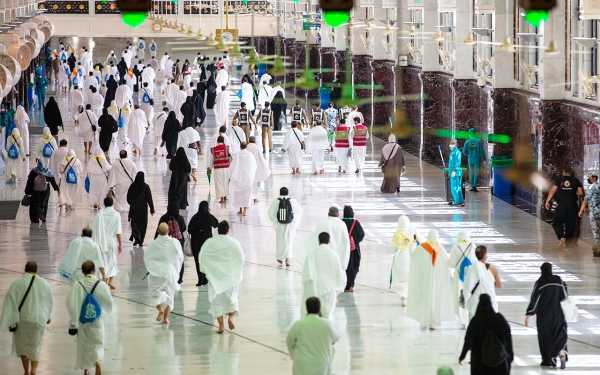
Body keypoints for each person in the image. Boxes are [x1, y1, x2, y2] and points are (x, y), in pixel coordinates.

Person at [0, 261, 54, 375]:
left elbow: (10, 301)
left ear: (25, 269)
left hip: (23, 319)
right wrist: (48, 316)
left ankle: (26, 371)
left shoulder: (17, 283)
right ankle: (34, 370)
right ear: (36, 270)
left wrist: (8, 319)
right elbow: (49, 300)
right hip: (38, 319)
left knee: (23, 346)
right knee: (36, 345)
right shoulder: (44, 283)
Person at [66, 261, 114, 375]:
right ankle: (98, 362)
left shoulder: (78, 285)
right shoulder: (101, 284)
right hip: (97, 320)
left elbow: (70, 302)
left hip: (83, 321)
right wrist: (102, 313)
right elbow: (109, 302)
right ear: (94, 270)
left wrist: (74, 319)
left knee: (84, 345)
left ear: (83, 272)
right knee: (98, 344)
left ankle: (86, 370)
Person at [199, 221, 245, 333]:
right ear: (228, 230)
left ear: (217, 230)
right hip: (230, 277)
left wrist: (207, 271)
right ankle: (230, 318)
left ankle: (221, 326)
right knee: (231, 299)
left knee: (217, 302)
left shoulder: (210, 242)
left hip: (215, 278)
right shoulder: (234, 242)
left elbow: (202, 256)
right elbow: (241, 257)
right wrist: (235, 269)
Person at [406, 229, 454, 330]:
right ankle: (433, 323)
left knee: (425, 299)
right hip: (437, 282)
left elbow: (412, 255)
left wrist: (413, 243)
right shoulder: (441, 249)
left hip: (424, 280)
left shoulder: (422, 247)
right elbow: (449, 263)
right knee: (435, 300)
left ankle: (424, 321)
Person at [525, 262, 569, 369]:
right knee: (559, 333)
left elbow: (535, 299)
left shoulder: (540, 282)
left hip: (544, 315)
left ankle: (549, 360)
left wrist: (529, 313)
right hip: (558, 313)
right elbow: (566, 296)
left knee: (545, 337)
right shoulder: (559, 281)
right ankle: (561, 352)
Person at [459, 294, 513, 374]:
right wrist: (510, 355)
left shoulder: (476, 321)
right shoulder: (499, 319)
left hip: (480, 363)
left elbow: (468, 340)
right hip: (499, 361)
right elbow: (508, 337)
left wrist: (462, 356)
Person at [286, 297, 340, 375]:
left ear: (307, 308)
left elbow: (289, 340)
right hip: (322, 363)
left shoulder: (299, 324)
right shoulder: (327, 324)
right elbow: (336, 337)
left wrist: (293, 355)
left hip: (303, 363)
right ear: (319, 309)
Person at [144, 223, 184, 325]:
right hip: (169, 272)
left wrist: (152, 268)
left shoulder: (153, 244)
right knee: (170, 295)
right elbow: (180, 257)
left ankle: (160, 309)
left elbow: (147, 258)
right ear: (168, 231)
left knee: (156, 293)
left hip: (156, 272)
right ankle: (166, 318)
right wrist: (176, 269)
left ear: (157, 231)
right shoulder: (175, 242)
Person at [300, 232, 346, 320]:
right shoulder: (334, 255)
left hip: (313, 288)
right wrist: (336, 292)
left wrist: (307, 287)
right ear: (329, 241)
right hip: (329, 289)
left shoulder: (312, 253)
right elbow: (339, 274)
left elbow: (307, 273)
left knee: (311, 317)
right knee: (327, 315)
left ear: (318, 241)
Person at [546, 166, 584, 250]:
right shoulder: (576, 180)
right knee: (570, 225)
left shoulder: (559, 179)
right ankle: (568, 245)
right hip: (572, 205)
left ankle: (561, 237)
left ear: (563, 171)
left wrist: (548, 201)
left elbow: (553, 190)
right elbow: (581, 193)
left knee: (556, 222)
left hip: (561, 205)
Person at [463, 245, 502, 320]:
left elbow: (467, 287)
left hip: (475, 303)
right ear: (485, 255)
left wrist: (466, 302)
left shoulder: (471, 269)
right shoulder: (493, 268)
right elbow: (499, 285)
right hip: (491, 302)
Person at [92, 197, 122, 290]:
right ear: (112, 203)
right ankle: (111, 281)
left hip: (101, 242)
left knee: (103, 262)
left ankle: (103, 278)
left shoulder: (99, 215)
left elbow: (95, 230)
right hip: (111, 242)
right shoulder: (116, 215)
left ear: (104, 204)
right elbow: (118, 231)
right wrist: (120, 244)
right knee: (113, 262)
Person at [448, 230, 477, 329]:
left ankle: (463, 322)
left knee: (461, 297)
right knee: (471, 296)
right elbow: (476, 262)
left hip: (459, 275)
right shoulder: (473, 247)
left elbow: (451, 264)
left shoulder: (456, 247)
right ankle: (471, 319)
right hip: (471, 275)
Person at [268, 187, 302, 266]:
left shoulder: (276, 201)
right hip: (290, 224)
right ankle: (288, 259)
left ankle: (280, 258)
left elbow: (270, 213)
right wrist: (294, 222)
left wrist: (276, 221)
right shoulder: (292, 201)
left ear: (279, 193)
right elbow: (299, 212)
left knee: (280, 241)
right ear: (287, 193)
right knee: (289, 241)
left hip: (280, 224)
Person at [389, 215, 418, 306]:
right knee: (408, 278)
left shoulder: (397, 233)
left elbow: (392, 249)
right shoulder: (412, 231)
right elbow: (418, 241)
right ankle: (407, 296)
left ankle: (403, 297)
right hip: (411, 257)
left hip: (400, 258)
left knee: (399, 279)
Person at [188, 201, 219, 286]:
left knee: (198, 261)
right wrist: (210, 214)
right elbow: (216, 224)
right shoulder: (208, 217)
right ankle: (205, 279)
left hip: (196, 242)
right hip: (207, 242)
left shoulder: (195, 217)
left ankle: (200, 280)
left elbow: (190, 230)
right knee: (206, 261)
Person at [155, 200, 187, 283]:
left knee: (167, 259)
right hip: (179, 241)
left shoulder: (164, 217)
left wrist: (155, 240)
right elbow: (183, 229)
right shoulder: (180, 218)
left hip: (166, 241)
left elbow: (159, 229)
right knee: (179, 259)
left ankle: (167, 276)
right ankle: (179, 278)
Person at [127, 172, 155, 247]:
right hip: (143, 208)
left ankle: (136, 237)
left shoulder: (132, 186)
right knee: (143, 224)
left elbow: (128, 197)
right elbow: (149, 199)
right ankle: (141, 240)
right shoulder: (146, 187)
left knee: (135, 223)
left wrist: (132, 203)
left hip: (134, 208)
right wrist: (152, 209)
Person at [229, 142, 257, 216]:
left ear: (240, 147)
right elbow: (254, 165)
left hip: (239, 177)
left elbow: (232, 166)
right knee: (247, 194)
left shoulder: (238, 154)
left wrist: (232, 175)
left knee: (239, 193)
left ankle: (240, 210)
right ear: (246, 147)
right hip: (248, 177)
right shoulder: (250, 155)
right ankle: (245, 211)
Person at [342, 206, 364, 292]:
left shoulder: (341, 223)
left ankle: (344, 284)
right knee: (353, 266)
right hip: (354, 250)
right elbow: (362, 235)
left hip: (343, 249)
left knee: (344, 266)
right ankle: (351, 284)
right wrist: (355, 242)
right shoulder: (356, 223)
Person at [579, 172, 600, 256]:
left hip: (595, 213)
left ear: (594, 178)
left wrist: (581, 210)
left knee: (596, 230)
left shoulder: (591, 187)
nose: (589, 179)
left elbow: (585, 200)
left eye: (590, 177)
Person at [247, 136, 271, 203]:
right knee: (257, 183)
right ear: (255, 141)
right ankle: (255, 198)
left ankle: (248, 197)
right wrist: (265, 166)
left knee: (249, 183)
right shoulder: (258, 148)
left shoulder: (246, 147)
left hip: (248, 167)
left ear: (249, 141)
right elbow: (261, 158)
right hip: (256, 167)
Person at [211, 136, 230, 203]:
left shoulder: (213, 149)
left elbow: (211, 160)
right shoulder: (227, 148)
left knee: (219, 183)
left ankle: (222, 198)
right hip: (226, 168)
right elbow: (230, 158)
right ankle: (225, 197)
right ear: (223, 141)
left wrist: (210, 168)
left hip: (217, 168)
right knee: (225, 182)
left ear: (217, 141)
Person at [448, 139, 465, 206]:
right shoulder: (452, 151)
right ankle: (461, 200)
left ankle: (457, 201)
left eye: (453, 143)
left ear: (456, 144)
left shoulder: (457, 152)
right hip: (454, 171)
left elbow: (457, 162)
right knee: (458, 187)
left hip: (455, 172)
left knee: (454, 187)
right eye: (450, 143)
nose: (451, 144)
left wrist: (454, 170)